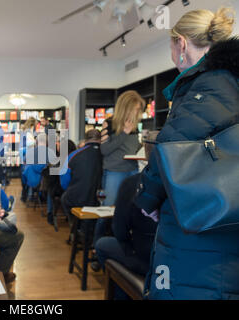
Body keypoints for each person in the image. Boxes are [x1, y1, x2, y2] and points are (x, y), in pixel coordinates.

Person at [134, 8, 239, 300]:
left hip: (198, 226)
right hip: (223, 220)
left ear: (181, 44)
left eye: (170, 46)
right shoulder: (229, 82)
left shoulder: (207, 86)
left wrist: (146, 198)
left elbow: (171, 146)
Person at [94, 131, 159, 299]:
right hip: (178, 259)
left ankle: (125, 291)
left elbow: (120, 231)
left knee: (102, 245)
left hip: (146, 258)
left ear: (144, 151)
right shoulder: (184, 184)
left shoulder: (132, 184)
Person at [91, 90, 144, 270]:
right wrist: (124, 133)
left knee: (127, 214)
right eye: (135, 110)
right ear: (126, 107)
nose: (136, 114)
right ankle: (97, 251)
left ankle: (119, 252)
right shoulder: (110, 123)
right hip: (114, 172)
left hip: (132, 172)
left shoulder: (135, 127)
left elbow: (132, 148)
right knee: (106, 212)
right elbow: (104, 150)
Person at [60, 129, 103, 222]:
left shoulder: (74, 155)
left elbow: (64, 181)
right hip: (100, 200)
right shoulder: (107, 154)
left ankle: (75, 228)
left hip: (77, 198)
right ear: (101, 139)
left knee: (64, 198)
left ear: (85, 139)